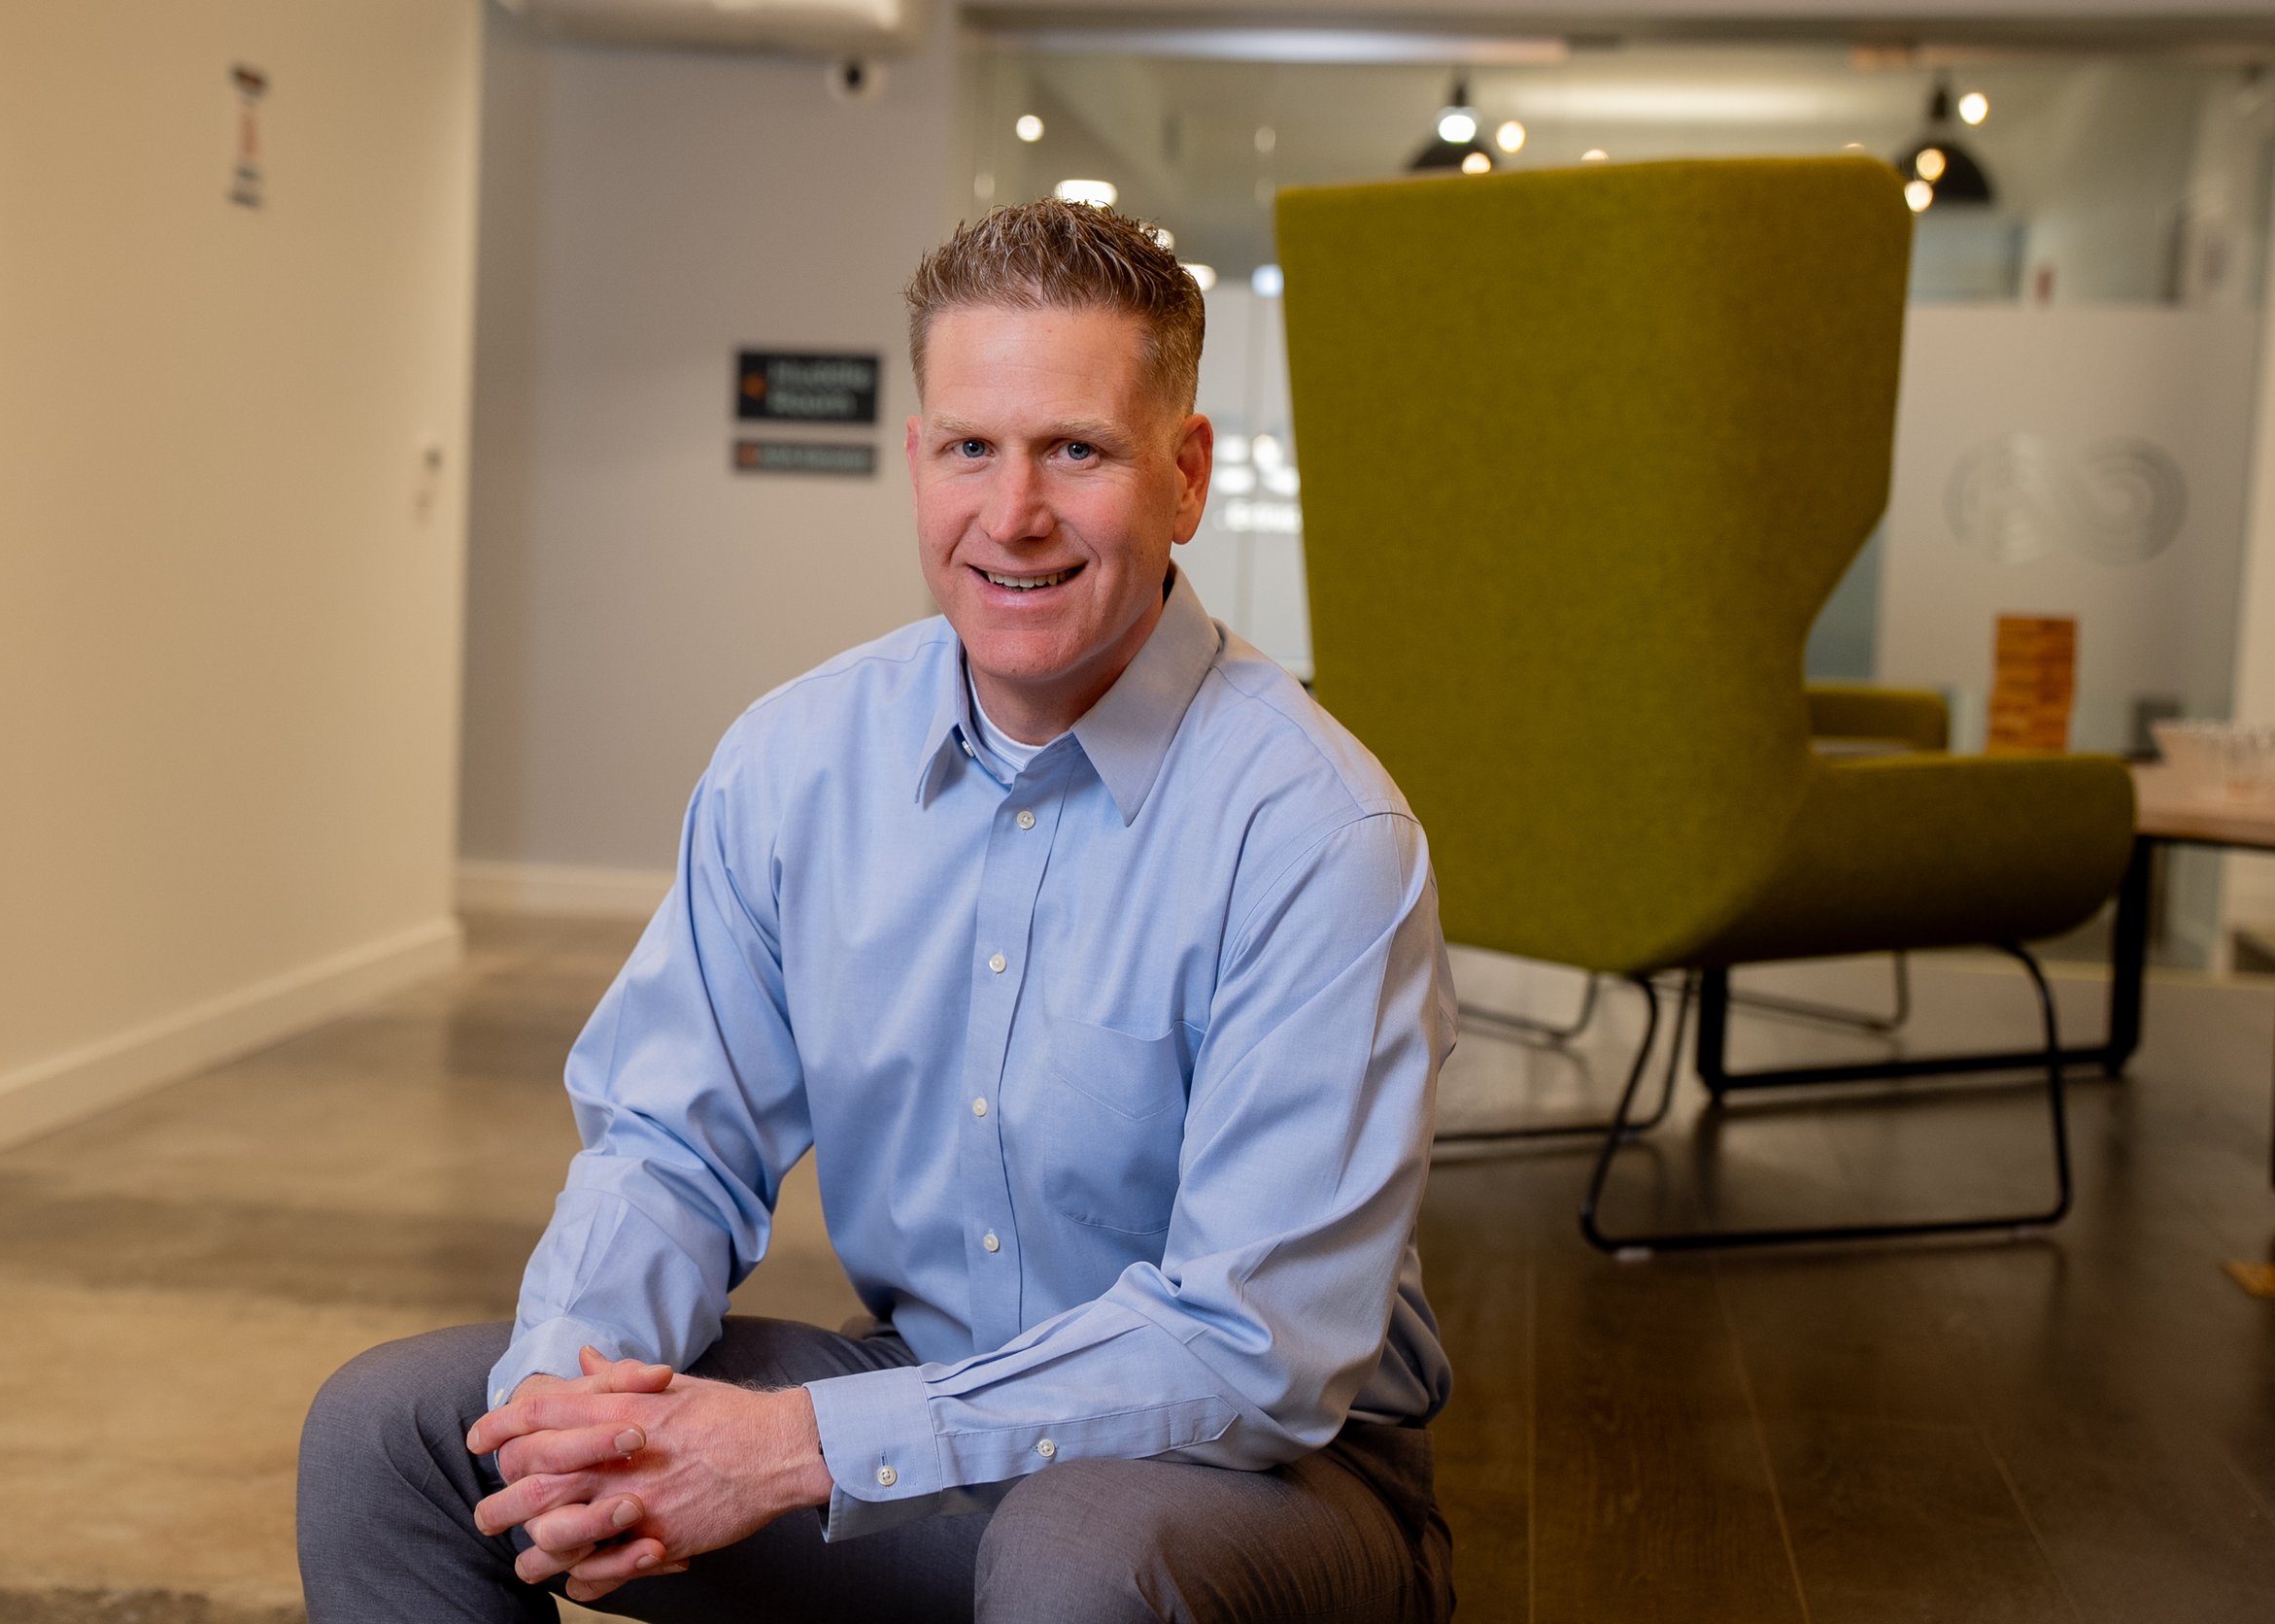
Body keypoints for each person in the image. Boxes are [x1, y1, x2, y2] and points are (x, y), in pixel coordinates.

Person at [297, 199, 1457, 1624]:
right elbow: (672, 1147)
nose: (1012, 513)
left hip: (1256, 1481)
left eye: (1075, 451)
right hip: (918, 1422)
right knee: (398, 1438)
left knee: (1080, 1559)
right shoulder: (798, 760)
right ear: (917, 460)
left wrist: (795, 1448)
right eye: (971, 447)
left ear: (1186, 474)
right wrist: (569, 1387)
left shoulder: (1316, 833)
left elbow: (1250, 1350)